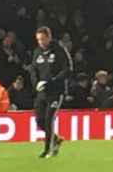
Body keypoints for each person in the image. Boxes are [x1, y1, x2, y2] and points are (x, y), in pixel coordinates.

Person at [31, 26, 72, 158]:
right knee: (39, 121)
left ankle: (48, 149)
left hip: (56, 91)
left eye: (43, 39)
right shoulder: (37, 52)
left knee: (49, 120)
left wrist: (52, 82)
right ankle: (57, 139)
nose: (41, 42)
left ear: (49, 37)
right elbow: (33, 70)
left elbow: (67, 69)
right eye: (38, 40)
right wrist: (36, 83)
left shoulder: (58, 49)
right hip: (42, 92)